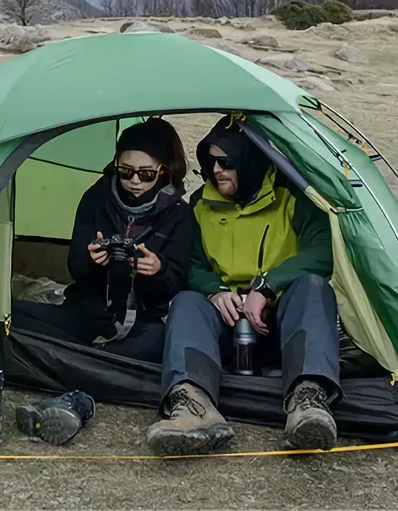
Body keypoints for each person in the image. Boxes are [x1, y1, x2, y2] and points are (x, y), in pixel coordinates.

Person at [0, 118, 196, 452]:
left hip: (145, 321)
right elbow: (75, 268)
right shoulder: (97, 197)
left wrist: (156, 270)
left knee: (152, 347)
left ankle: (75, 398)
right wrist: (91, 260)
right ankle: (76, 376)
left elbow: (178, 286)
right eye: (125, 171)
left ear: (166, 169)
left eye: (146, 173)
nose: (134, 181)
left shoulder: (181, 215)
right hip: (89, 311)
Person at [146, 116, 340, 455]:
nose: (217, 169)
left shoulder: (292, 197)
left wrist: (266, 288)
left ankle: (308, 401)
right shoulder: (201, 205)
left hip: (282, 325)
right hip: (227, 329)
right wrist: (215, 291)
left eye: (227, 162)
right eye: (210, 162)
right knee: (188, 300)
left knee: (312, 287)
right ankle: (194, 406)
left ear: (250, 160)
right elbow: (191, 264)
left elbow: (324, 250)